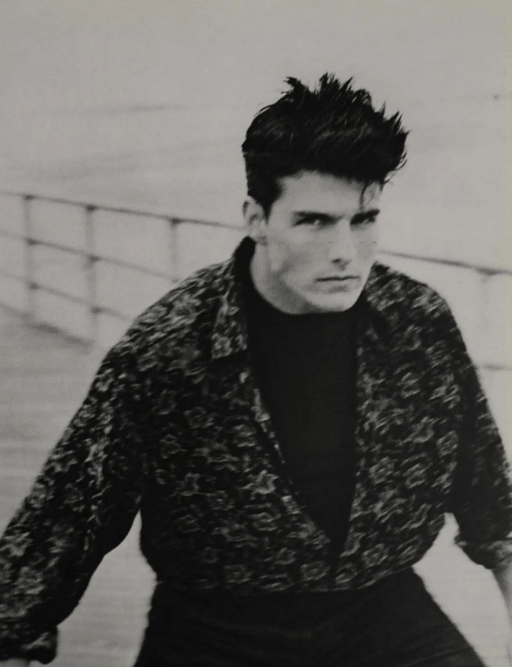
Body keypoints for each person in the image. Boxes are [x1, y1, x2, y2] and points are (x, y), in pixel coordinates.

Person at [1, 74, 511, 667]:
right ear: (256, 217)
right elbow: (59, 529)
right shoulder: (166, 349)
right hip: (218, 632)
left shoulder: (418, 323)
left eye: (363, 219)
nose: (345, 250)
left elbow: (494, 507)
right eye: (314, 221)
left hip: (383, 616)